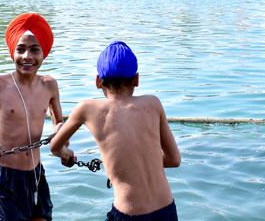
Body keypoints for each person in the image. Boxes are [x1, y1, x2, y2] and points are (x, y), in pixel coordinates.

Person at [50, 41, 181, 221]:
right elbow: (174, 160)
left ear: (98, 81)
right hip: (167, 210)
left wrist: (66, 153)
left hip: (130, 214)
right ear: (136, 79)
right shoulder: (153, 103)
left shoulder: (86, 108)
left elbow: (54, 147)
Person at [0, 13, 65, 221]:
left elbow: (59, 123)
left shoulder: (50, 85)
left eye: (35, 50)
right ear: (12, 51)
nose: (27, 56)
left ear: (44, 53)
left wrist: (62, 141)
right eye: (21, 49)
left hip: (36, 173)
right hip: (6, 176)